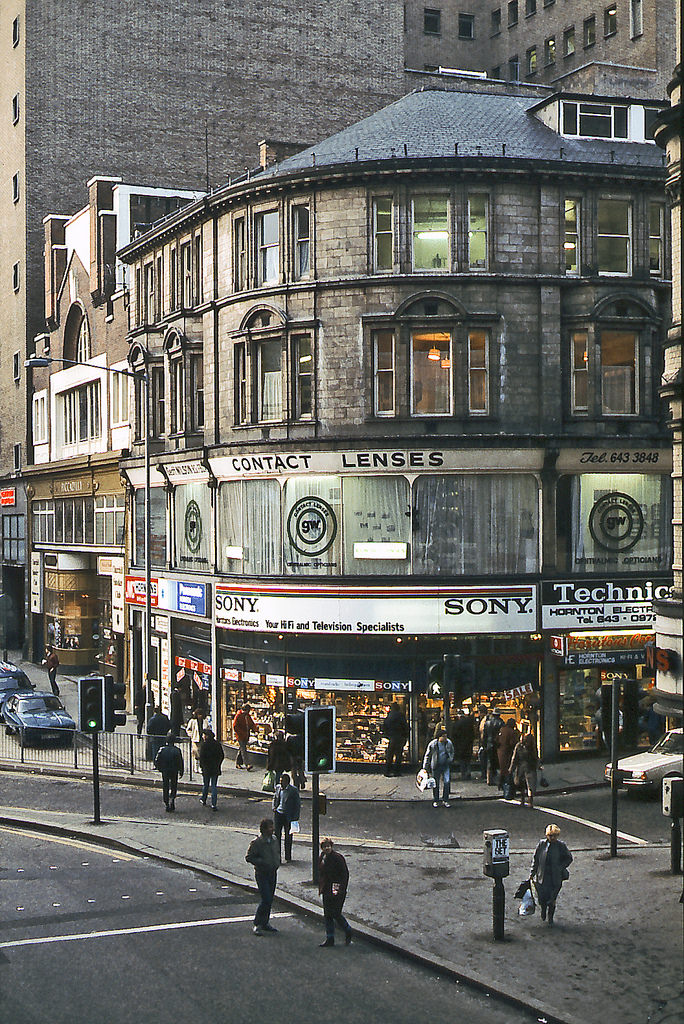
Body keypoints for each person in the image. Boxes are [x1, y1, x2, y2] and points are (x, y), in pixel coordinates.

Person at [530, 823, 573, 925]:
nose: (552, 838)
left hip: (555, 877)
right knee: (542, 898)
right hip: (542, 876)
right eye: (550, 836)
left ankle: (550, 917)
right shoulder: (541, 844)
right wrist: (532, 872)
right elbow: (536, 859)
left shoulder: (561, 846)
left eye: (554, 836)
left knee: (552, 899)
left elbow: (569, 858)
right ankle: (543, 910)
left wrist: (560, 867)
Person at [245, 818, 281, 935]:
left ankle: (265, 923)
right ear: (264, 829)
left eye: (272, 826)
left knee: (269, 899)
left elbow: (276, 852)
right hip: (262, 874)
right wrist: (263, 862)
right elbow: (249, 857)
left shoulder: (274, 839)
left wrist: (277, 861)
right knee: (265, 899)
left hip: (272, 872)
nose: (273, 829)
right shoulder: (257, 843)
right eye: (270, 827)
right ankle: (257, 923)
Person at [318, 837, 352, 947]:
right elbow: (321, 872)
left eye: (328, 846)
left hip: (337, 888)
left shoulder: (338, 858)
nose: (327, 848)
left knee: (336, 913)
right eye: (325, 847)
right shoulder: (322, 857)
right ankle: (330, 938)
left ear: (332, 847)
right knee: (327, 914)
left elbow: (344, 875)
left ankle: (348, 930)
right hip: (326, 888)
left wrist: (341, 889)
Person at [272, 772, 301, 862]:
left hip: (288, 816)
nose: (281, 783)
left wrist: (295, 818)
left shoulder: (293, 790)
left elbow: (297, 804)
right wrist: (274, 807)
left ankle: (288, 857)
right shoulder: (278, 788)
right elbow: (275, 798)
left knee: (288, 837)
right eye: (280, 781)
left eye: (282, 782)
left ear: (287, 782)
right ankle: (278, 857)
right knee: (277, 836)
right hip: (278, 814)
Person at [423, 727, 455, 808]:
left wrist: (450, 759)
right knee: (435, 783)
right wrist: (425, 767)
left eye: (446, 736)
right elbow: (427, 756)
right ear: (439, 737)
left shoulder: (448, 743)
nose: (445, 738)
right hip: (436, 765)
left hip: (445, 765)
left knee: (447, 782)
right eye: (443, 736)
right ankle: (436, 800)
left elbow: (452, 752)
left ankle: (445, 799)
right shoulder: (433, 744)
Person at [153, 731, 184, 812]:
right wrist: (181, 771)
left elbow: (156, 760)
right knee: (174, 786)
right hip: (174, 771)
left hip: (165, 771)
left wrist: (159, 768)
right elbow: (180, 762)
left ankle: (166, 802)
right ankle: (172, 799)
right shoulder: (177, 750)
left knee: (165, 786)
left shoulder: (162, 749)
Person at [198, 727, 224, 811]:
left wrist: (202, 766)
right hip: (215, 767)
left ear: (206, 736)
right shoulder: (217, 744)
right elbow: (221, 755)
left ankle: (204, 799)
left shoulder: (204, 745)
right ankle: (214, 804)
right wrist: (218, 764)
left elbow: (201, 757)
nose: (202, 736)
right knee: (214, 786)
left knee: (206, 784)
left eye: (203, 735)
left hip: (207, 768)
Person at [510, 730, 538, 807]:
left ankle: (523, 800)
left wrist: (511, 768)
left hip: (522, 768)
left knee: (523, 785)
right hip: (529, 767)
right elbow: (535, 757)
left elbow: (514, 758)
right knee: (529, 786)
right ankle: (529, 801)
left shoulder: (519, 746)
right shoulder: (531, 747)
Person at [382, 701, 409, 777]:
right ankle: (396, 771)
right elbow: (405, 726)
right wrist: (405, 735)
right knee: (398, 755)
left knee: (390, 754)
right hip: (399, 737)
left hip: (392, 737)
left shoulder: (389, 715)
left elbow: (384, 726)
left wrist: (387, 735)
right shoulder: (400, 715)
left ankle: (387, 771)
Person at [496, 717, 520, 790]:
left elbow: (497, 739)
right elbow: (512, 743)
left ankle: (500, 784)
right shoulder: (511, 732)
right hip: (507, 752)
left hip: (500, 751)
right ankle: (506, 785)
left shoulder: (502, 729)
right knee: (507, 769)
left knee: (502, 768)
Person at [233, 702, 258, 770]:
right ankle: (247, 764)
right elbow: (235, 726)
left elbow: (251, 724)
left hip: (246, 735)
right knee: (244, 750)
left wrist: (255, 730)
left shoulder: (247, 716)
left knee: (241, 749)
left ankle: (238, 763)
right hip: (241, 736)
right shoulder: (238, 716)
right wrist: (241, 733)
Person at [451, 710, 475, 780]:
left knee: (462, 760)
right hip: (468, 744)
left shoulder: (456, 724)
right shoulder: (469, 723)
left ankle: (464, 774)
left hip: (460, 745)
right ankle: (468, 773)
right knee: (468, 760)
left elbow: (454, 735)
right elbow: (473, 734)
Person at [482, 708, 503, 785]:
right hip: (497, 744)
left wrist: (484, 745)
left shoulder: (487, 723)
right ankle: (498, 779)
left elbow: (484, 736)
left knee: (489, 761)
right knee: (498, 762)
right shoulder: (501, 723)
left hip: (489, 744)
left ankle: (489, 779)